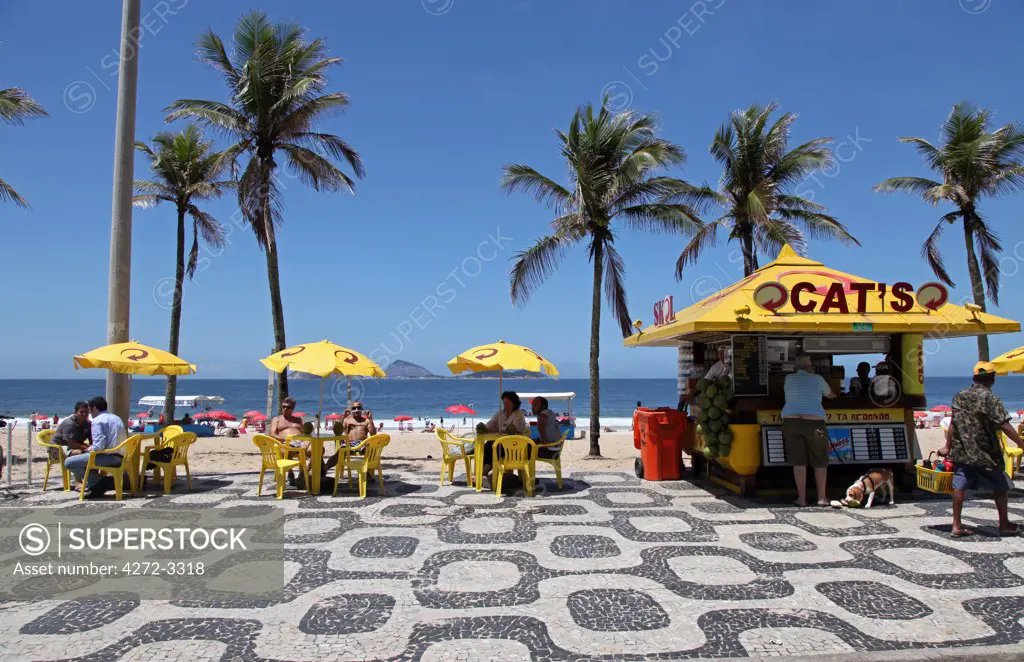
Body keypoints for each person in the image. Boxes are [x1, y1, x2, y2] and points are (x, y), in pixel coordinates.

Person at [938, 362, 1021, 537]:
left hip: (962, 451)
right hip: (985, 452)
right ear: (991, 379)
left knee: (959, 486)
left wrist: (947, 446)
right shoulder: (990, 398)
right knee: (1000, 485)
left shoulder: (959, 395)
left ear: (974, 377)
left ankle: (956, 526)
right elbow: (1004, 425)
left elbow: (954, 423)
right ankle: (1004, 524)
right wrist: (1021, 443)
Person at [781, 355, 836, 507]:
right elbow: (830, 395)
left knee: (798, 461)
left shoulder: (788, 379)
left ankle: (801, 498)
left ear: (795, 368)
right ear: (809, 367)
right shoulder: (817, 379)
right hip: (815, 423)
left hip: (791, 421)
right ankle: (822, 498)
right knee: (820, 460)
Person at [64, 396, 126, 498]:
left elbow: (98, 446)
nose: (88, 413)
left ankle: (99, 482)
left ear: (94, 408)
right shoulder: (116, 418)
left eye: (89, 409)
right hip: (121, 456)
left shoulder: (98, 421)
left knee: (69, 462)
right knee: (83, 460)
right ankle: (98, 484)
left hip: (109, 457)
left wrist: (88, 449)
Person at [478, 391, 528, 473]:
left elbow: (512, 429)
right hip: (502, 443)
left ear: (514, 403)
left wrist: (499, 429)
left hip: (516, 447)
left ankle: (482, 472)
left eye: (507, 403)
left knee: (496, 448)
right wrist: (485, 428)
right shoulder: (500, 413)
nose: (505, 405)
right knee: (488, 445)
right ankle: (480, 471)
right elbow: (491, 422)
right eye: (504, 403)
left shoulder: (519, 415)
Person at [50, 402, 92, 468]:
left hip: (73, 447)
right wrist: (88, 448)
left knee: (95, 454)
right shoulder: (69, 424)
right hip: (57, 448)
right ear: (75, 412)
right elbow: (71, 444)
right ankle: (83, 475)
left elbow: (92, 440)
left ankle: (92, 476)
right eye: (81, 412)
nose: (84, 414)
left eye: (86, 412)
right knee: (79, 454)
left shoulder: (88, 424)